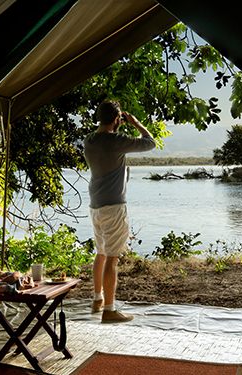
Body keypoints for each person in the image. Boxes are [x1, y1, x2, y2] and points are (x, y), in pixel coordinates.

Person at [83, 100, 155, 323]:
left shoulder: (89, 140)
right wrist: (135, 123)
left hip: (95, 204)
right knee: (112, 259)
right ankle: (110, 311)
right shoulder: (116, 140)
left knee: (101, 253)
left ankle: (98, 300)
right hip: (113, 206)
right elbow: (150, 142)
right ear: (117, 120)